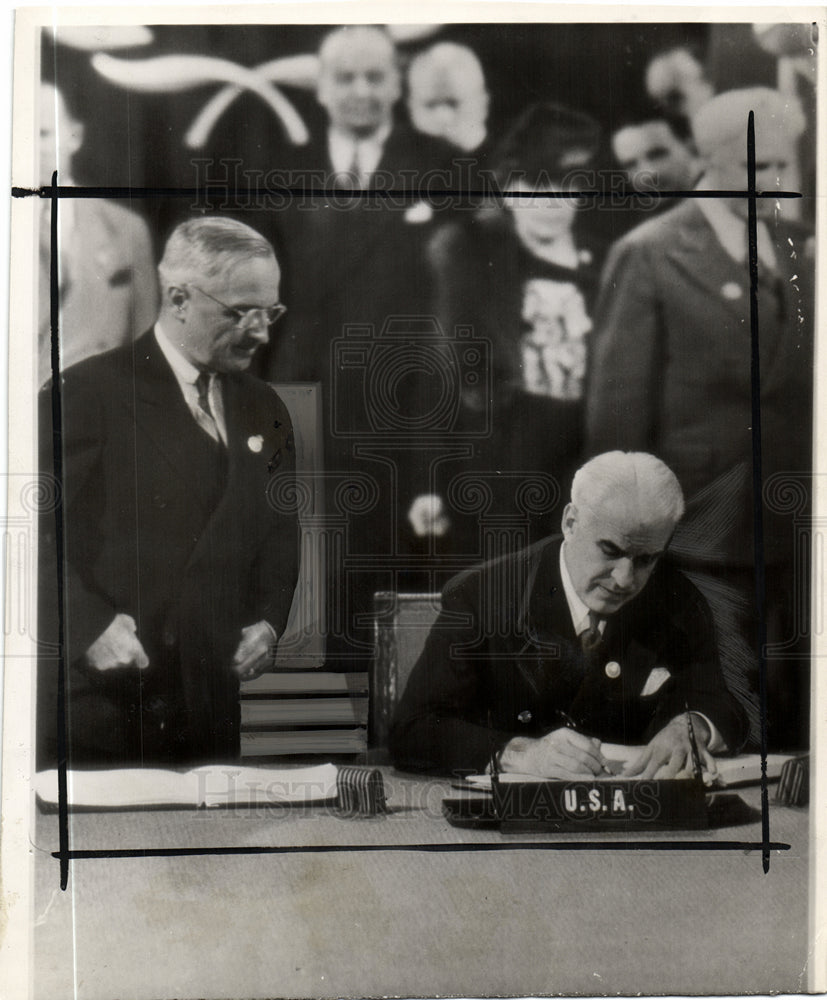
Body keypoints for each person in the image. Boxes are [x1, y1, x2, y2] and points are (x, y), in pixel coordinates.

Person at [586, 88, 813, 751]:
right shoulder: (651, 253)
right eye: (753, 168)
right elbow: (614, 415)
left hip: (793, 522)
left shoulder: (804, 250)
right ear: (708, 162)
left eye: (780, 165)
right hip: (699, 531)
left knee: (798, 721)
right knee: (726, 709)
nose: (771, 182)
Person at [38, 217, 299, 767]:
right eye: (240, 312)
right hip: (103, 715)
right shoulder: (85, 394)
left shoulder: (264, 408)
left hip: (209, 719)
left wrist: (270, 621)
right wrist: (87, 626)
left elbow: (280, 533)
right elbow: (23, 538)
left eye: (269, 311)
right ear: (179, 297)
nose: (261, 333)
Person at [389, 452, 748, 778]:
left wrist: (693, 725)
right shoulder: (481, 596)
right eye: (610, 550)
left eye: (646, 559)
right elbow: (412, 729)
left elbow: (720, 701)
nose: (625, 579)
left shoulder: (677, 599)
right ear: (571, 522)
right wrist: (517, 753)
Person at [411, 102, 608, 552]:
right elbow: (441, 369)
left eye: (566, 185)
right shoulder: (474, 260)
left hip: (583, 462)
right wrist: (430, 480)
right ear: (508, 187)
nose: (551, 201)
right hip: (499, 467)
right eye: (534, 185)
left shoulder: (606, 261)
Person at [38, 81, 158, 387]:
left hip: (98, 416)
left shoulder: (126, 230)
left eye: (42, 134)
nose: (27, 147)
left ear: (73, 136)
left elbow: (146, 354)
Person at [406, 42, 491, 158]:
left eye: (453, 103)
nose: (443, 117)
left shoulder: (504, 165)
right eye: (431, 105)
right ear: (411, 106)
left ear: (482, 102)